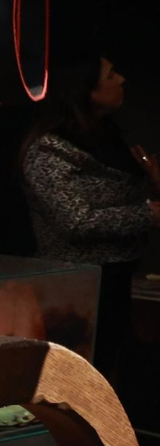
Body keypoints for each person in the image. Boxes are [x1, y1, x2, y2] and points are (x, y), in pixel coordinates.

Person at [19, 55, 159, 393]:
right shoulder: (48, 152)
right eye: (111, 75)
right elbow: (75, 220)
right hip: (73, 287)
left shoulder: (110, 139)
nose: (122, 79)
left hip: (115, 276)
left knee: (110, 375)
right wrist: (149, 213)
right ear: (86, 92)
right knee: (75, 384)